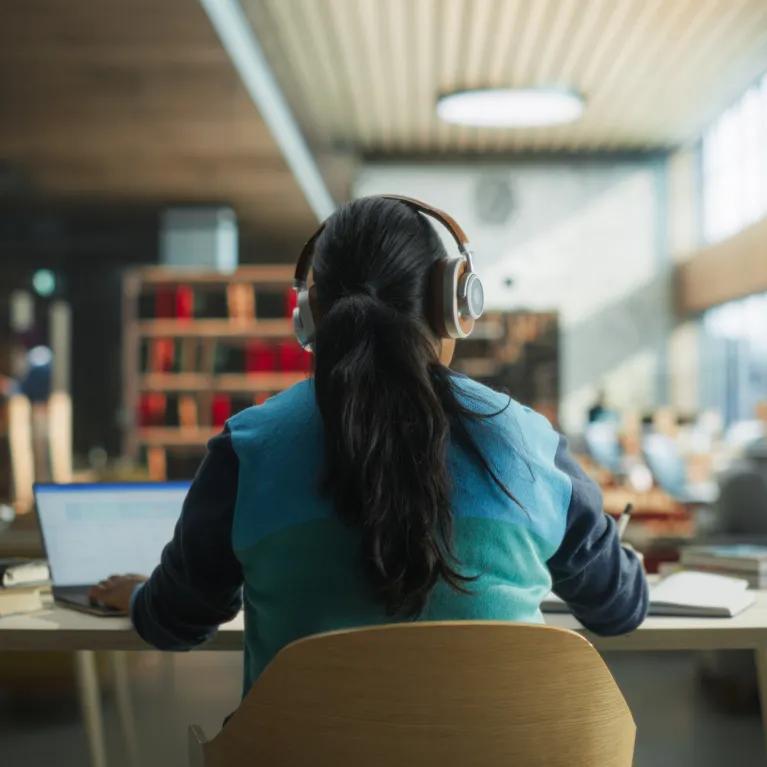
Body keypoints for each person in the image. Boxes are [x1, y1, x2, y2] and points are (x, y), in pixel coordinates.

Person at [92, 196, 648, 694]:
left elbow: (177, 621)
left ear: (309, 317)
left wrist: (142, 598)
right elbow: (618, 609)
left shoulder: (248, 449)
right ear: (455, 303)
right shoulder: (529, 442)